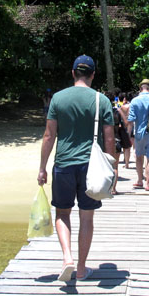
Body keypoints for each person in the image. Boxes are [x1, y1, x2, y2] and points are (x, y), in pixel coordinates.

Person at [38, 55, 115, 282]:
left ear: (73, 73)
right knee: (87, 218)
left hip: (63, 164)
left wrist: (42, 168)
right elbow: (109, 140)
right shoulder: (102, 101)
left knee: (62, 213)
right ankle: (81, 269)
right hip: (91, 167)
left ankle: (67, 258)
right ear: (92, 75)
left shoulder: (58, 99)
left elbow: (49, 135)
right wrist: (113, 171)